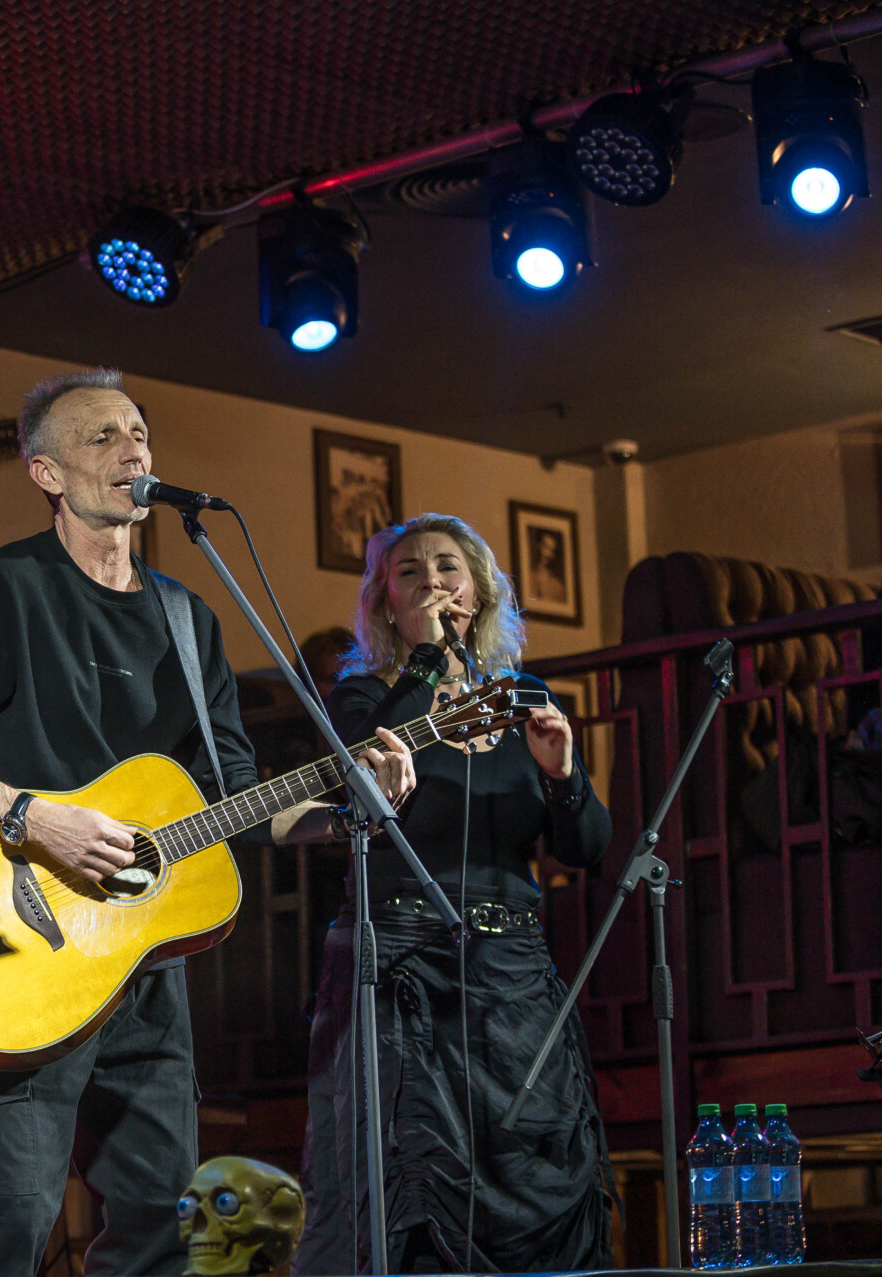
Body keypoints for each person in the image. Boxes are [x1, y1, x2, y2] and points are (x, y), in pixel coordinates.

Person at [0, 368, 414, 1276]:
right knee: (11, 1224)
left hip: (144, 964)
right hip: (20, 944)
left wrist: (349, 807)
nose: (132, 450)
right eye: (102, 437)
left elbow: (238, 799)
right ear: (46, 473)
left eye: (139, 433)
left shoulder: (188, 621)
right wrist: (34, 818)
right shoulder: (0, 589)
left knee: (161, 1226)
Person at [291, 513, 615, 1275]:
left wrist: (564, 773)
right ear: (384, 603)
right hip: (402, 964)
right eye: (408, 572)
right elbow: (365, 776)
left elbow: (587, 848)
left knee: (536, 1164)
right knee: (412, 1175)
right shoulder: (363, 696)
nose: (431, 582)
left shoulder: (521, 695)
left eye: (448, 567)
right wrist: (427, 662)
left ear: (480, 592)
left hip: (511, 975)